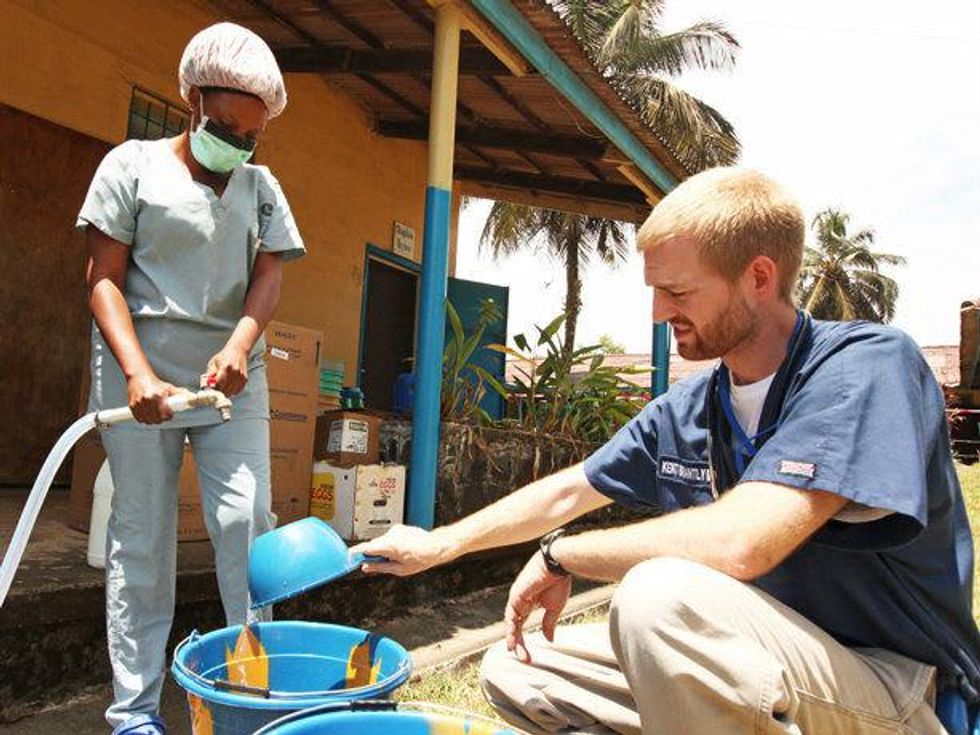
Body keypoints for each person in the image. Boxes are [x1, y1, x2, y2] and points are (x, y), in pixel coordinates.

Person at [354, 167, 979, 734]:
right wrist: (441, 544)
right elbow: (572, 488)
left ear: (758, 278)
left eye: (677, 293)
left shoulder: (864, 366)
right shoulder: (696, 404)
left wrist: (561, 556)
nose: (659, 314)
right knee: (518, 668)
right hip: (766, 667)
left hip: (893, 687)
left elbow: (744, 541)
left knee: (658, 598)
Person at [77, 22, 304, 735]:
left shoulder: (261, 188)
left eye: (250, 136)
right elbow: (102, 281)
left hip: (232, 379)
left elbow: (268, 273)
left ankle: (251, 694)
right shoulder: (131, 166)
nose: (235, 146)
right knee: (141, 540)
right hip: (139, 376)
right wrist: (138, 373)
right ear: (191, 99)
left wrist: (241, 344)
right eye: (224, 126)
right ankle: (135, 711)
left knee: (246, 525)